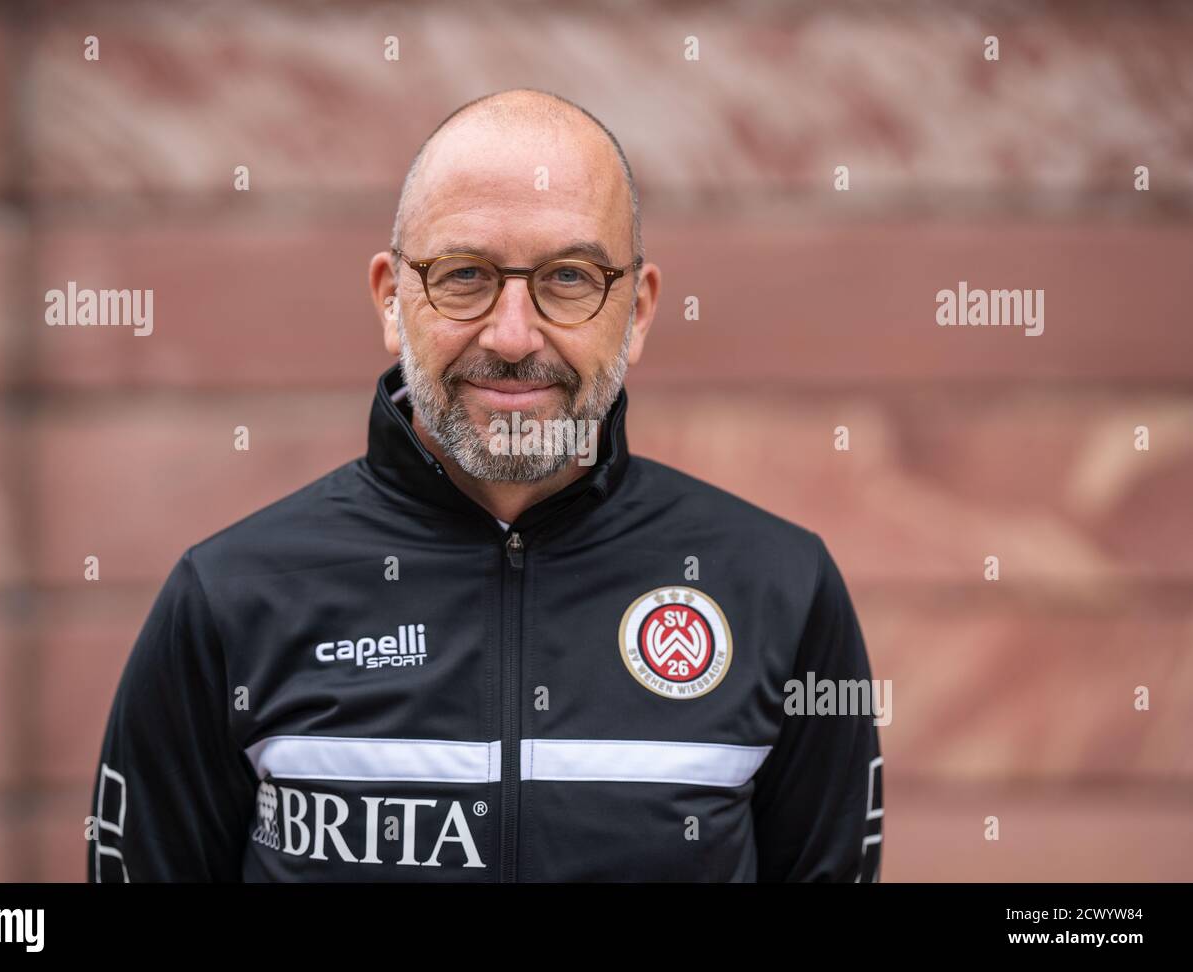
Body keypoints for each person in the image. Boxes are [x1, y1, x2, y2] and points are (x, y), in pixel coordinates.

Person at [87, 87, 882, 882]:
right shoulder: (229, 595)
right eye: (464, 274)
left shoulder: (780, 586)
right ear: (392, 301)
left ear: (636, 312)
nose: (510, 336)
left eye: (568, 278)